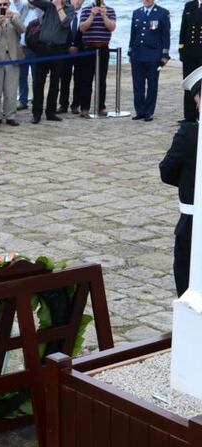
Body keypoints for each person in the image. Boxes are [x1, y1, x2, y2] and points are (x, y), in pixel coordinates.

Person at [160, 69, 202, 296]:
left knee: (188, 291)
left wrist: (191, 185)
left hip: (193, 223)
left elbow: (166, 171)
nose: (196, 106)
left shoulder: (189, 134)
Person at [29, 0, 75, 124]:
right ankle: (36, 113)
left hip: (59, 49)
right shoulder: (48, 5)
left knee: (55, 83)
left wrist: (59, 6)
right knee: (39, 82)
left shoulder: (70, 8)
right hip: (43, 48)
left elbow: (65, 23)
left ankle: (51, 112)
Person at [130, 0, 170, 122]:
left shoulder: (163, 13)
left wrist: (165, 54)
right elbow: (133, 34)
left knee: (152, 85)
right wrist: (130, 52)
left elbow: (165, 35)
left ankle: (149, 112)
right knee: (138, 85)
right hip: (137, 54)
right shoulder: (136, 13)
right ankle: (140, 111)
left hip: (153, 55)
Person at [0, 0, 24, 126]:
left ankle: (10, 115)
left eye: (5, 4)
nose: (3, 7)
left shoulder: (15, 15)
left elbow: (22, 29)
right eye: (0, 4)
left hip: (12, 56)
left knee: (11, 89)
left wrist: (12, 18)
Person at [76, 0, 116, 116]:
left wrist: (104, 16)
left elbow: (112, 27)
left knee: (101, 79)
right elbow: (82, 28)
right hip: (88, 49)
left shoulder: (110, 10)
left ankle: (101, 107)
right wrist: (92, 15)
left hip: (103, 48)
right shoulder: (86, 10)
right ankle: (84, 108)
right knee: (86, 79)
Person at [14, 0, 42, 110]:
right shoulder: (23, 8)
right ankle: (23, 100)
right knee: (22, 76)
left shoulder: (41, 9)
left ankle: (37, 99)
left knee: (37, 76)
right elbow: (16, 2)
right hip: (23, 48)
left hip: (36, 49)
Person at [57, 0, 84, 115]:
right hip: (65, 50)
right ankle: (63, 104)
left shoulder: (85, 13)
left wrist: (77, 46)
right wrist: (68, 47)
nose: (77, 1)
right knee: (64, 78)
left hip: (80, 51)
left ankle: (76, 105)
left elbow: (86, 32)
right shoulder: (64, 13)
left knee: (79, 79)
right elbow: (60, 30)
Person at [181, 0, 202, 123]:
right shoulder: (189, 5)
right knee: (189, 83)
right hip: (189, 52)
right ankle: (189, 117)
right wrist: (181, 49)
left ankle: (201, 115)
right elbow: (184, 28)